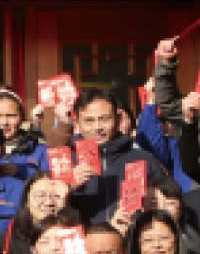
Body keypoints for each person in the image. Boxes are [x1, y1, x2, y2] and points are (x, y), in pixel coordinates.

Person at [66, 88, 165, 223]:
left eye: (104, 119)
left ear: (118, 119)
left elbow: (166, 204)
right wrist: (70, 188)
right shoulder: (66, 162)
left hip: (132, 235)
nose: (97, 127)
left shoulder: (143, 159)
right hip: (85, 236)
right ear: (77, 123)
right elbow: (49, 216)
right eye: (89, 121)